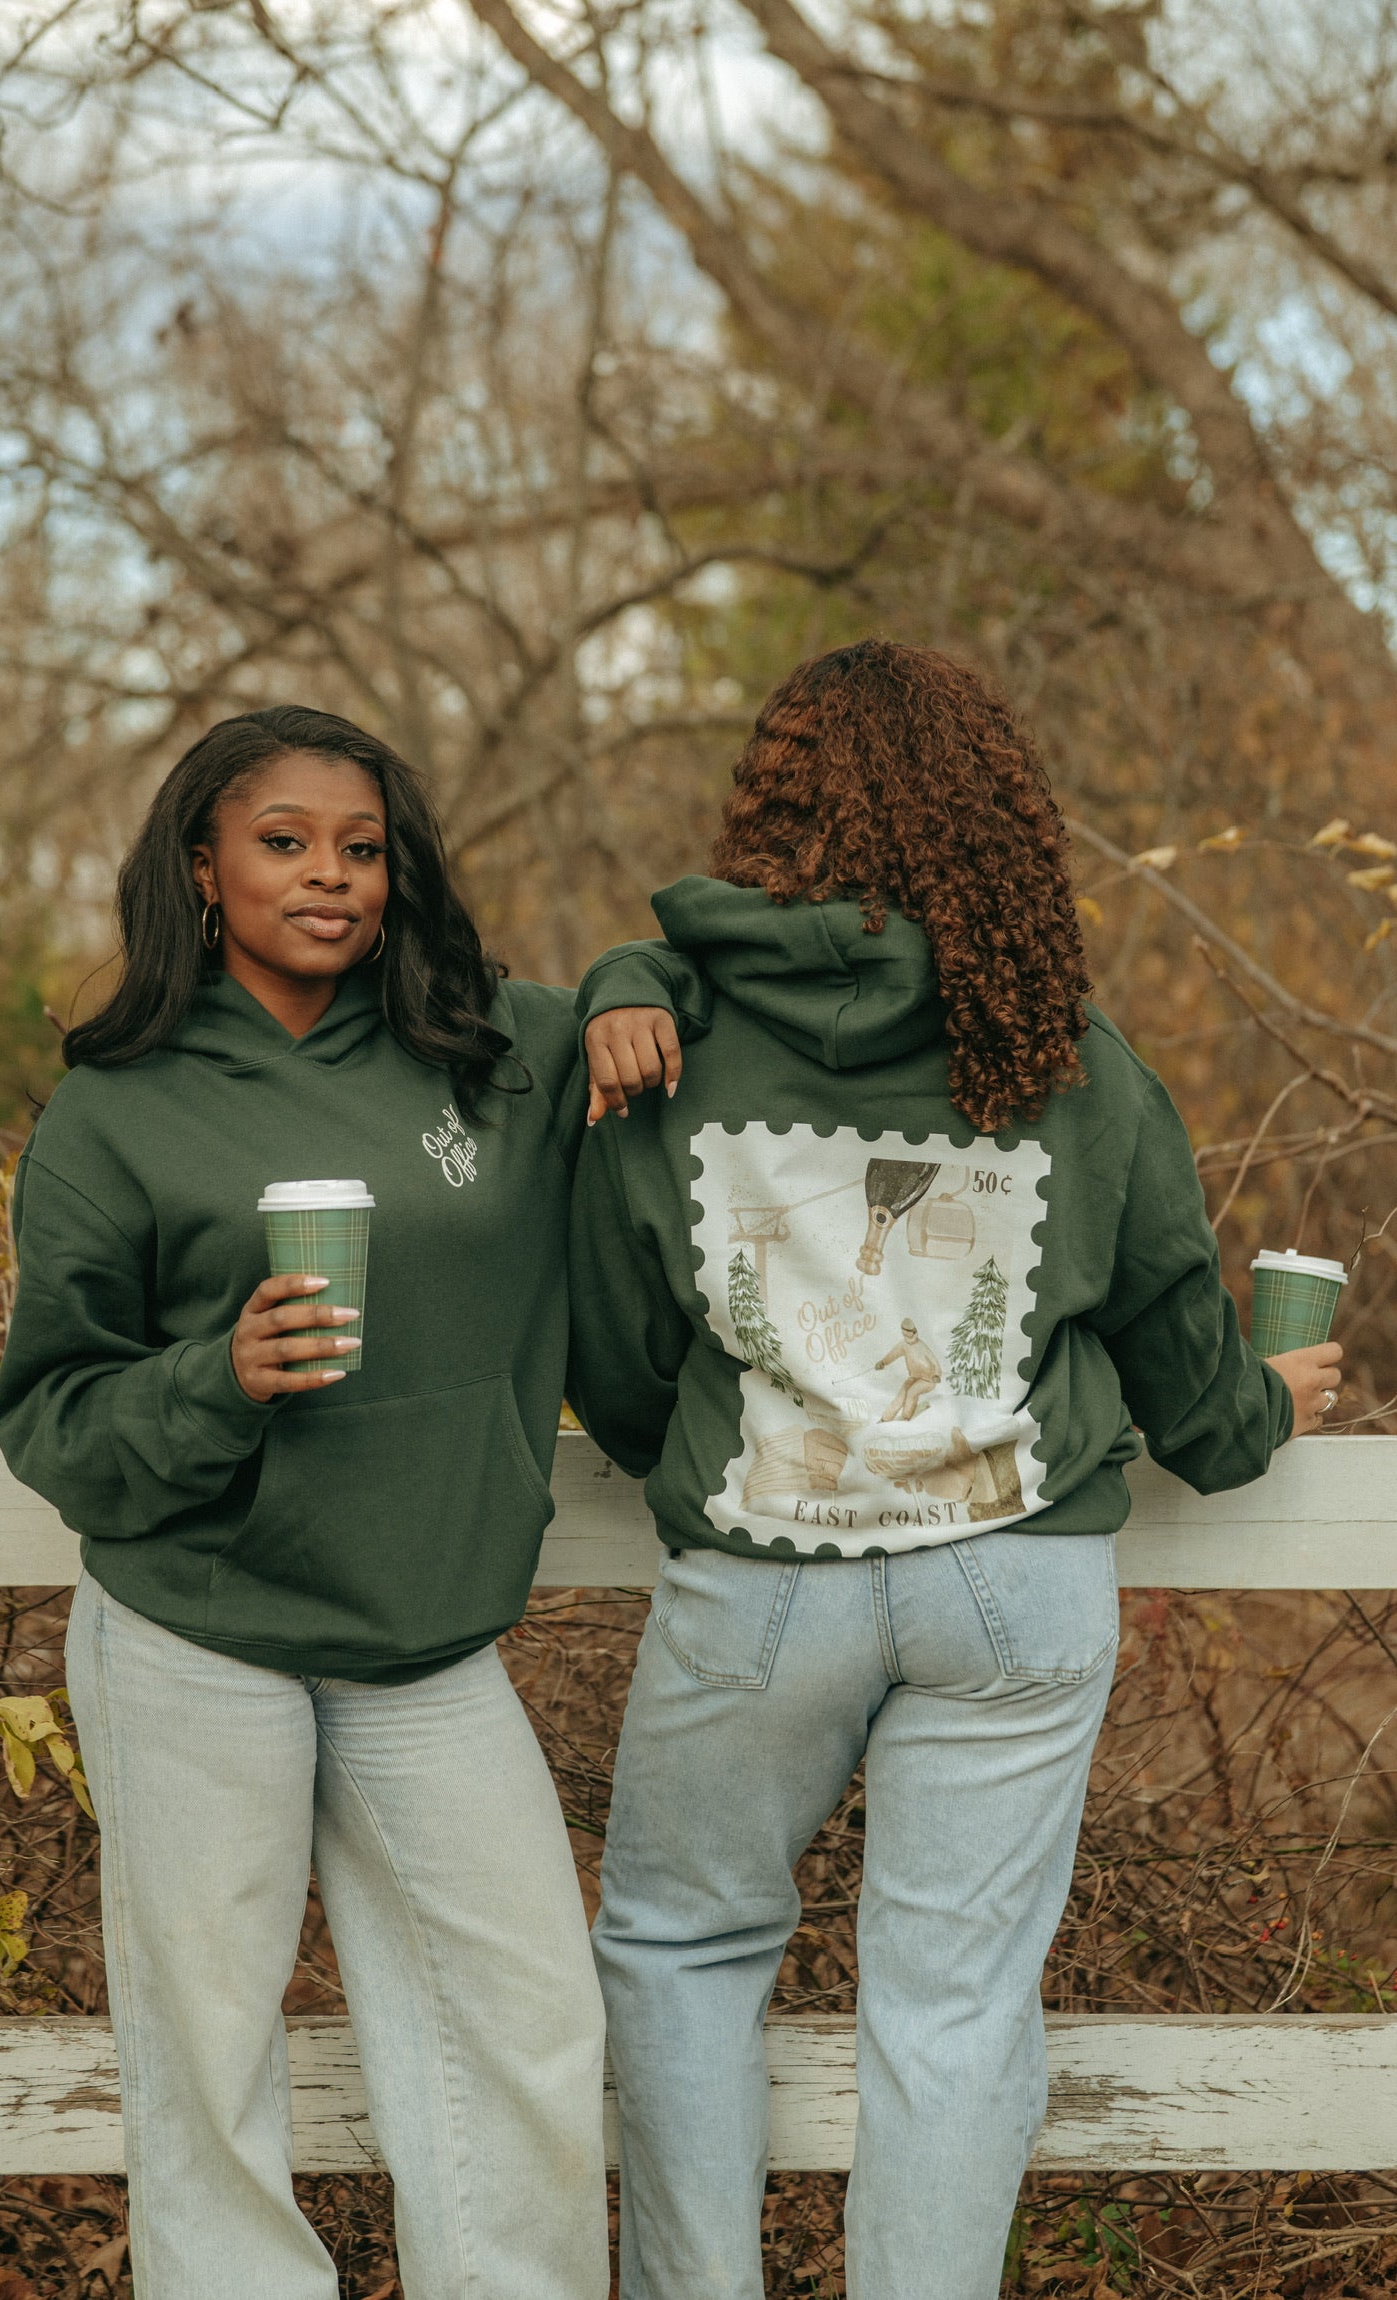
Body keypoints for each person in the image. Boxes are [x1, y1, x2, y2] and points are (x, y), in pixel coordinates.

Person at [566, 639, 1342, 2300]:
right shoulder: (1063, 1052)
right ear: (996, 823)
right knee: (958, 2001)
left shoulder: (664, 1048)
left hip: (761, 1573)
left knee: (685, 1947)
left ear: (770, 811)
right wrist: (1266, 1404)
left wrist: (703, 1448)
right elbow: (1191, 1389)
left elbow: (618, 1358)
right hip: (1016, 1579)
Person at [0, 704, 695, 2300]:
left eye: (362, 848)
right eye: (285, 842)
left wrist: (632, 991)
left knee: (528, 2020)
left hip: (426, 1644)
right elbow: (53, 1420)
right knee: (210, 2055)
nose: (331, 876)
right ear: (202, 867)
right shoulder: (117, 1110)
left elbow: (656, 979)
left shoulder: (487, 1048)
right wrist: (218, 1375)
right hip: (196, 1634)